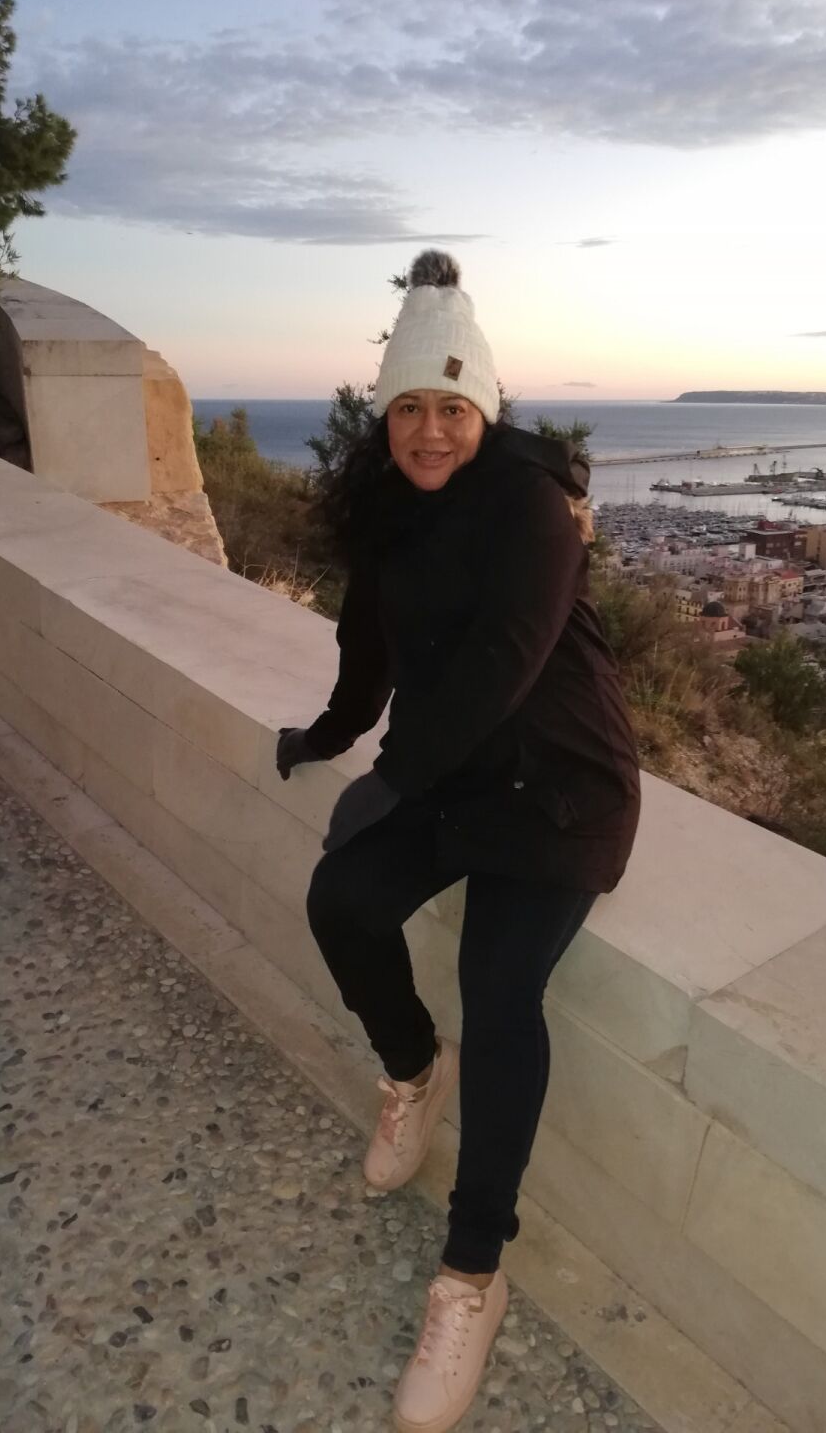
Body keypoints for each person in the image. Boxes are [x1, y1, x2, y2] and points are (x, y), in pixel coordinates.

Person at [276, 250, 640, 1433]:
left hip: (560, 784)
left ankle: (472, 1272)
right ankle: (410, 1068)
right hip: (454, 770)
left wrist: (391, 779)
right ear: (384, 417)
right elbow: (369, 648)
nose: (429, 432)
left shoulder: (534, 506)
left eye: (452, 408)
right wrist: (333, 735)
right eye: (408, 410)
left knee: (500, 987)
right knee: (341, 900)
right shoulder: (387, 511)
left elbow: (502, 666)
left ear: (485, 411)